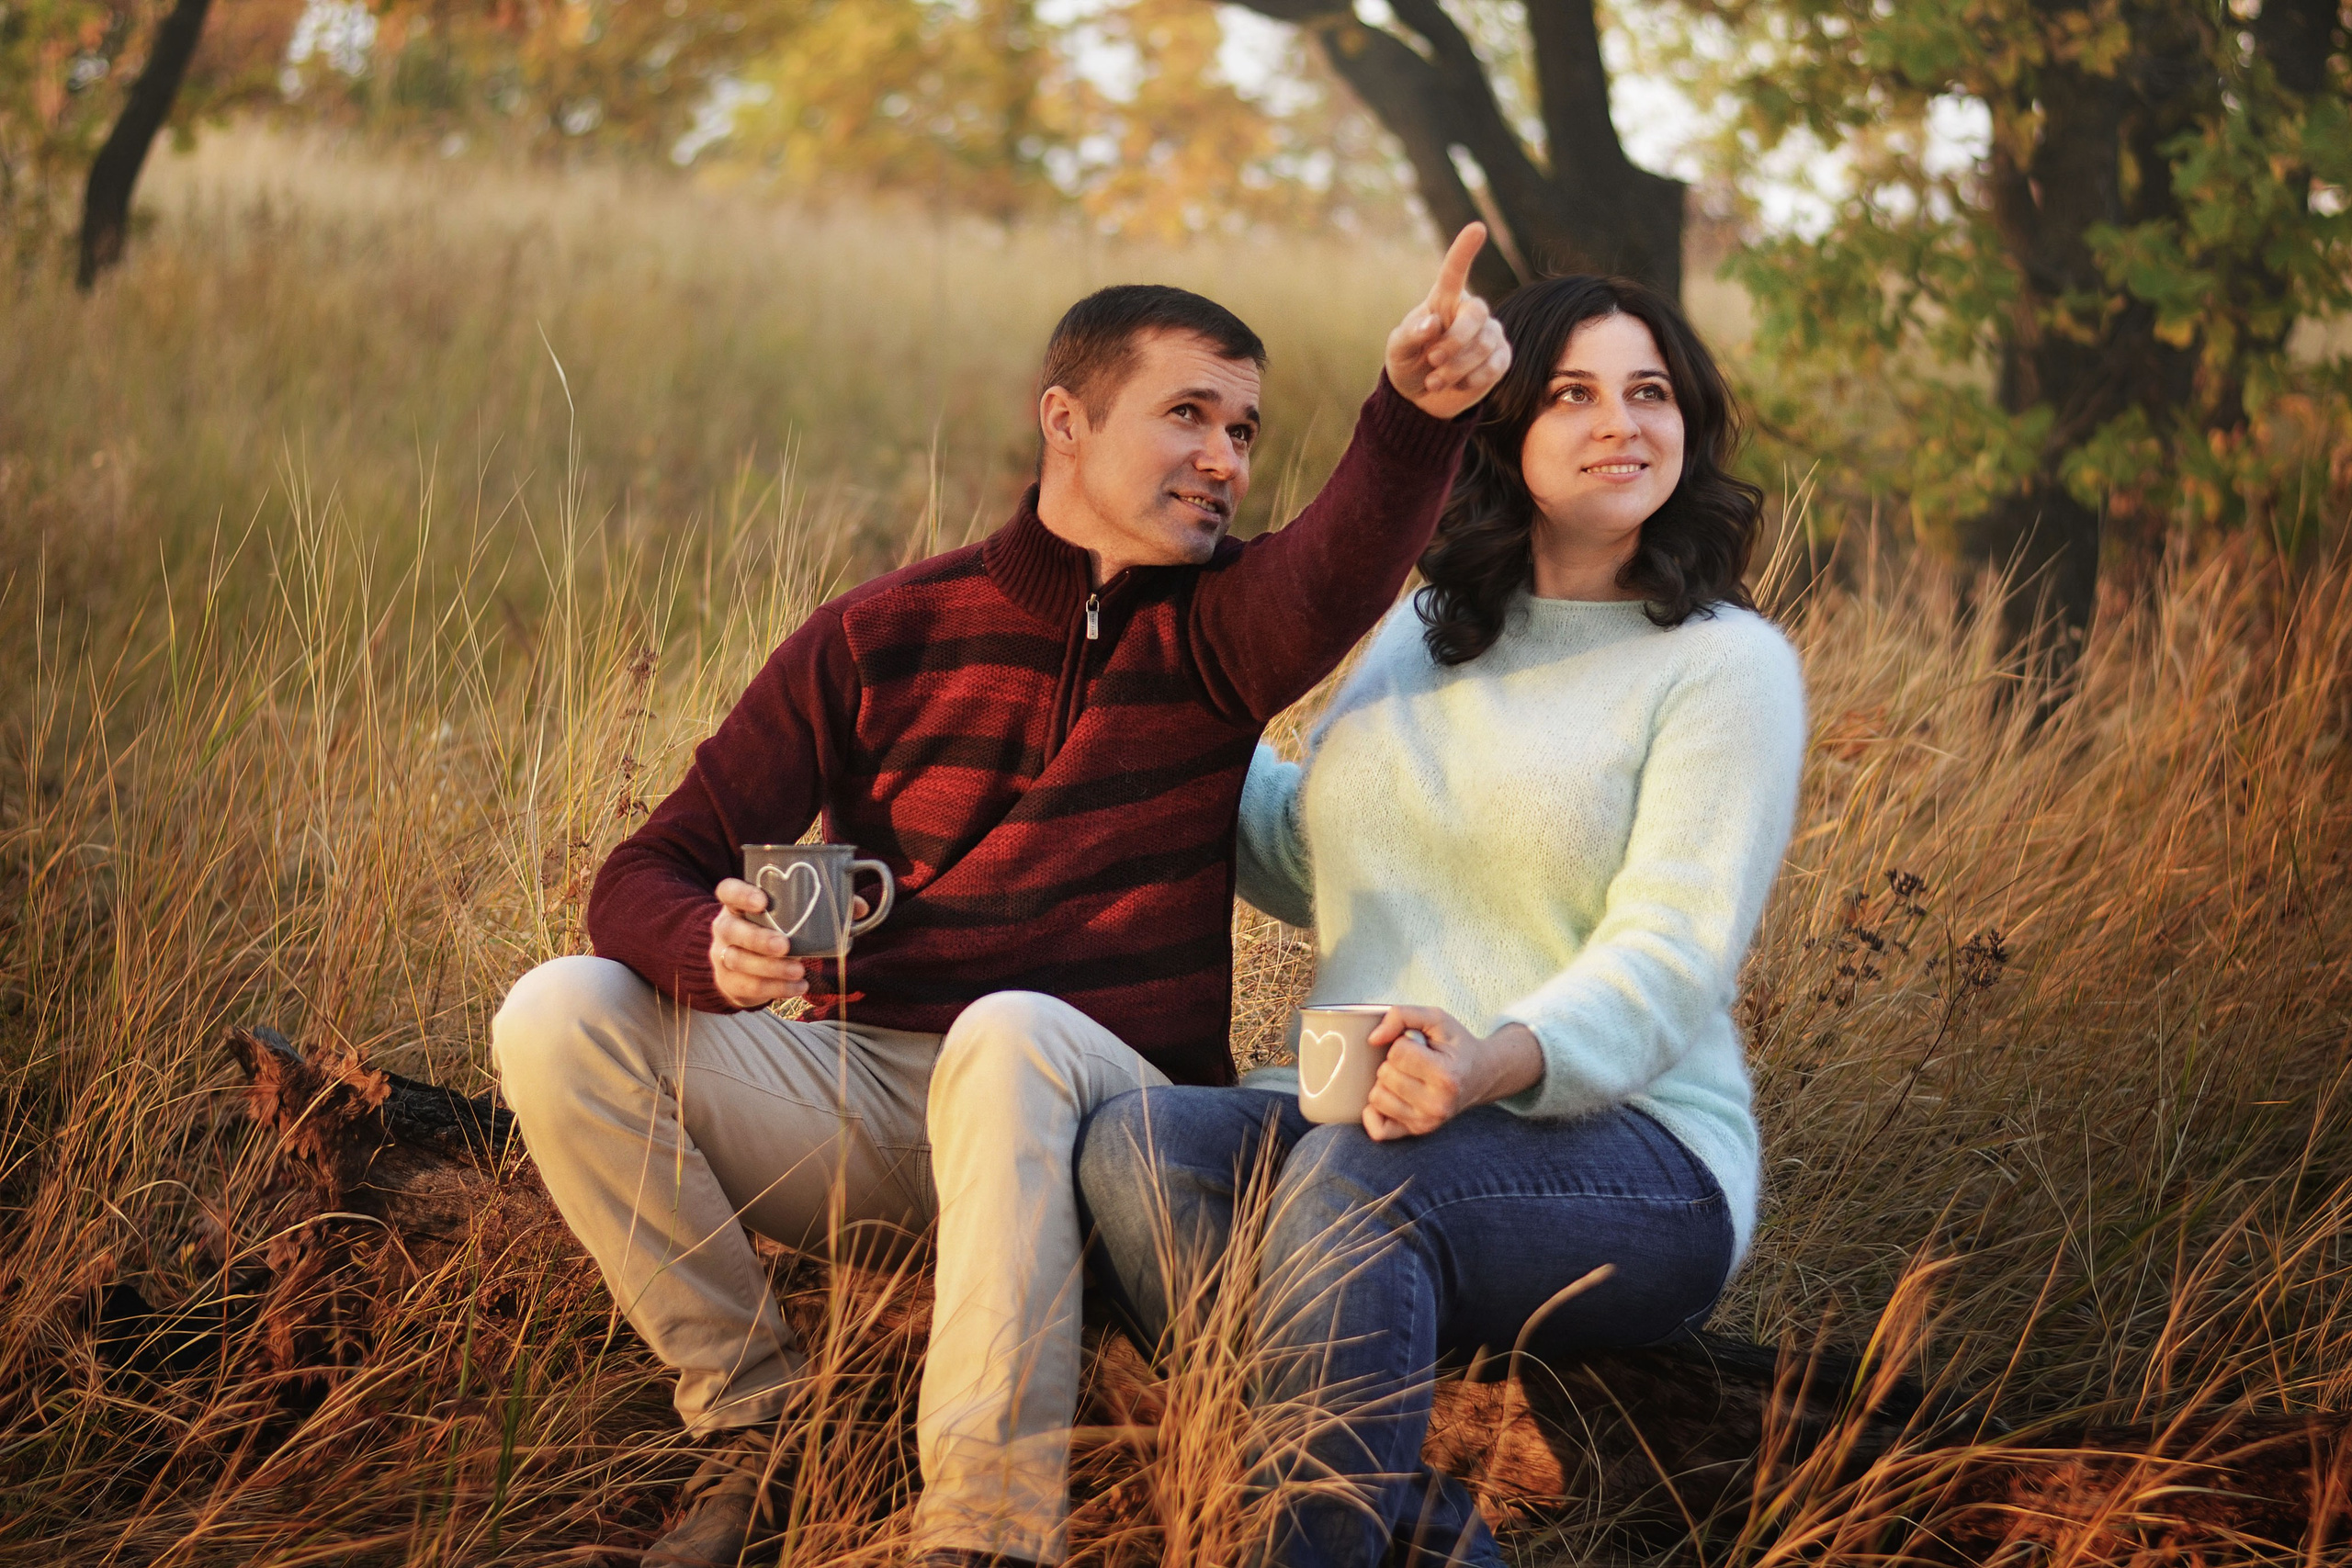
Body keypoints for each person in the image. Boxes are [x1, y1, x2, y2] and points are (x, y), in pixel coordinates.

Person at [489, 228, 1511, 1567]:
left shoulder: (1219, 630)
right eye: (1188, 414)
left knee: (1011, 1027)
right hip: (872, 1100)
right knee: (556, 1011)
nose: (1225, 457)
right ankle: (754, 1420)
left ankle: (980, 1533)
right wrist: (710, 947)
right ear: (1067, 421)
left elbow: (1339, 562)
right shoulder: (879, 634)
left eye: (1246, 430)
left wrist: (1417, 417)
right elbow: (645, 869)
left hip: (1103, 1124)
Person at [1075, 274, 1807, 1568]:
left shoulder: (1723, 665)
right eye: (1574, 394)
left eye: (1650, 394)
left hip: (1628, 1150)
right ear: (1508, 426)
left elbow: (1672, 955)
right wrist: (1157, 681)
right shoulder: (1426, 631)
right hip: (1372, 1099)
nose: (1619, 424)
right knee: (1140, 1146)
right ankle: (1416, 1536)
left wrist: (1486, 1062)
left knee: (1367, 1181)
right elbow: (1317, 850)